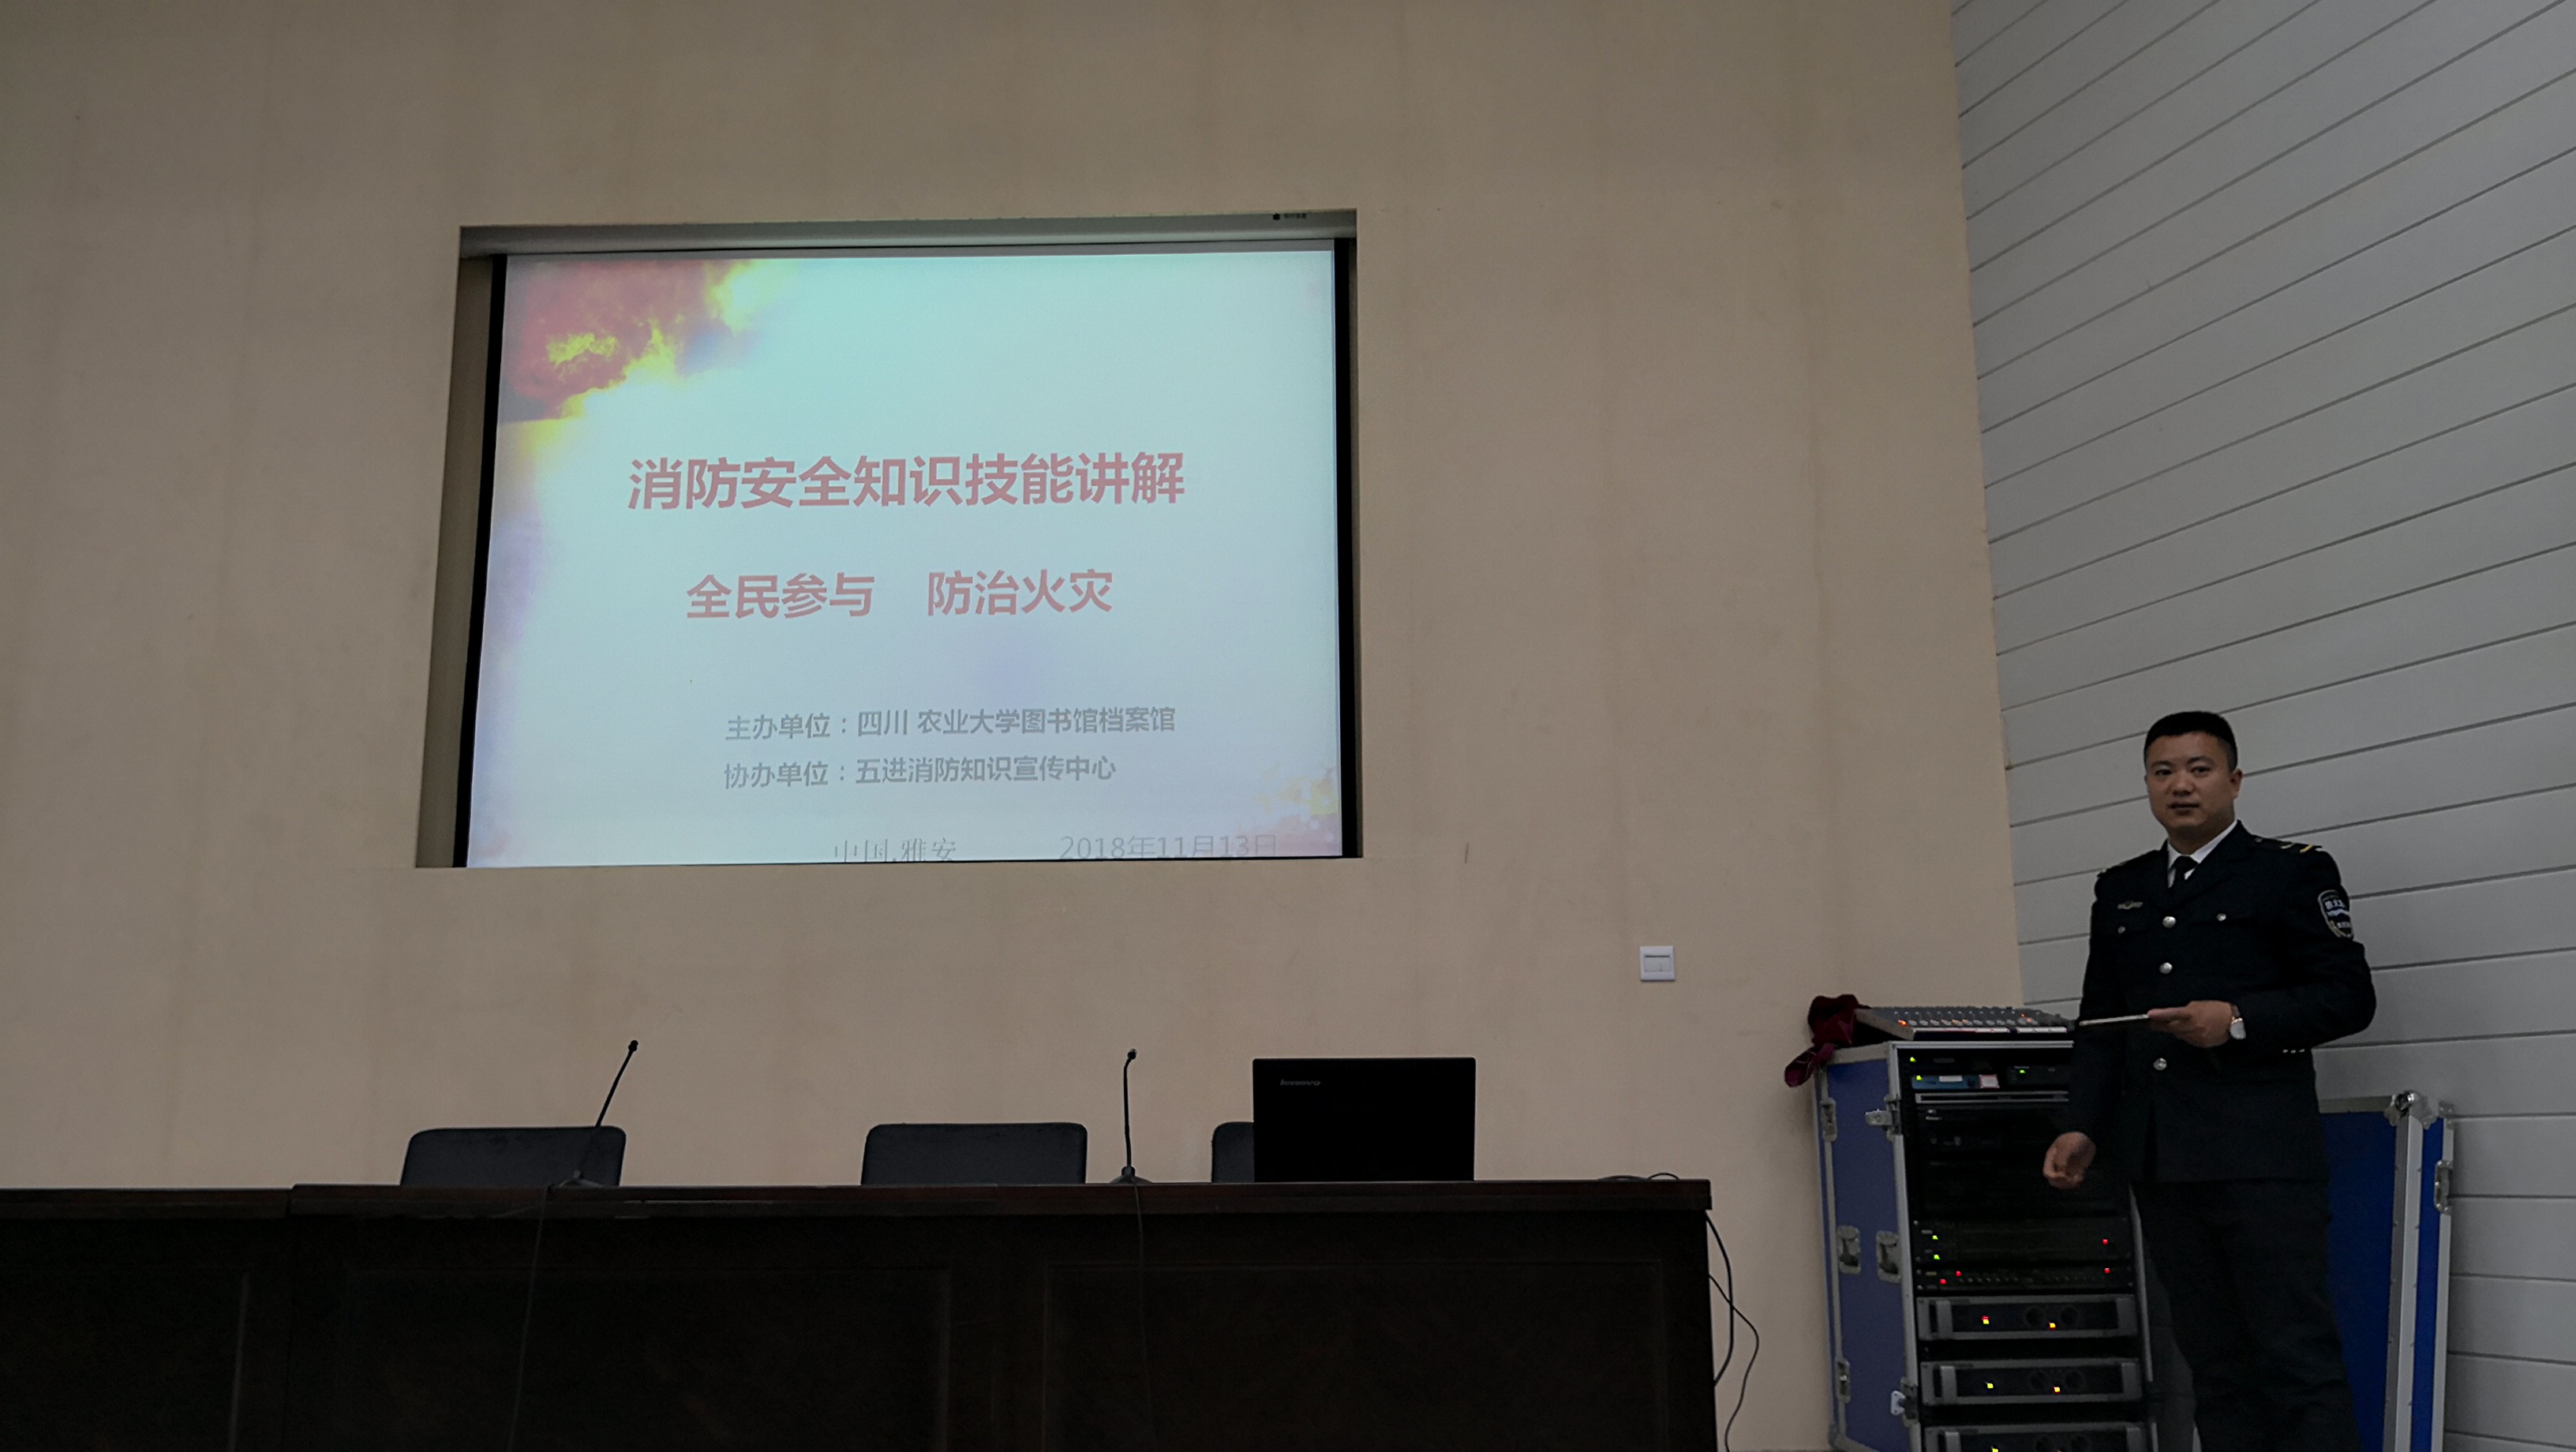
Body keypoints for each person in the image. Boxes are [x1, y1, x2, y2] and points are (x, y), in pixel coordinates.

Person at [2041, 710, 2375, 1452]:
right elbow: (2101, 1022)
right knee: (2215, 1364)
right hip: (2164, 1160)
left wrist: (2240, 1020)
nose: (2181, 786)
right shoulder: (2122, 888)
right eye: (2163, 772)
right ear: (2147, 785)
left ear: (2234, 779)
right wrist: (2082, 1123)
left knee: (2296, 1357)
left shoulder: (2289, 872)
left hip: (2262, 1159)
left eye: (2199, 769)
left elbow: (2348, 997)